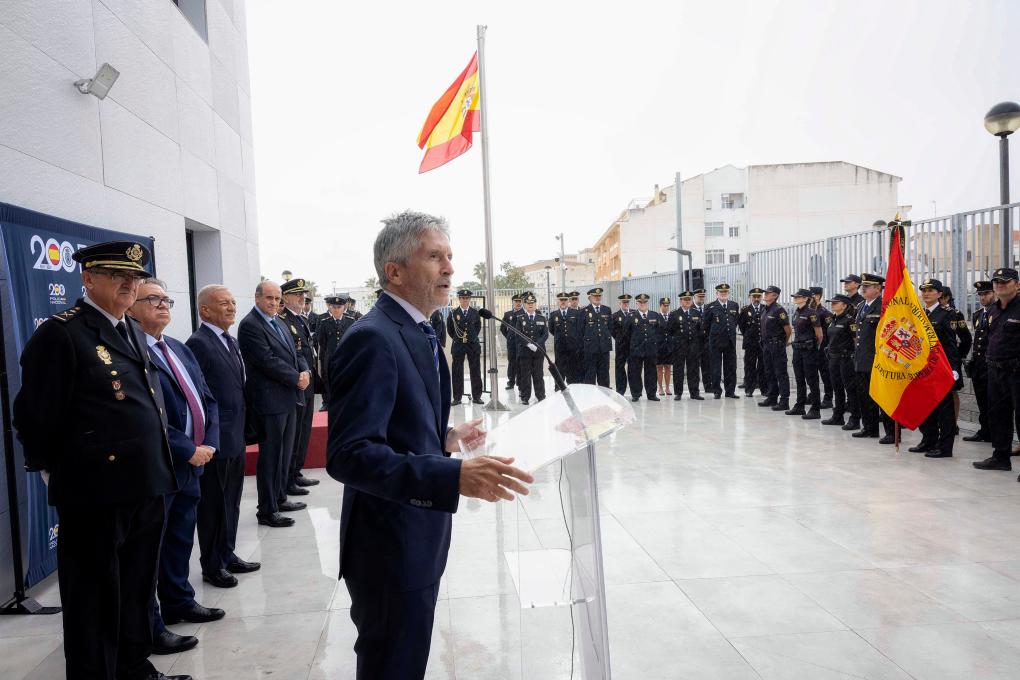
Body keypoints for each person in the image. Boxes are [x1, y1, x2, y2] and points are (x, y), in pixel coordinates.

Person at [327, 211, 533, 679]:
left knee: (408, 656)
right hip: (388, 544)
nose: (450, 269)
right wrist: (452, 475)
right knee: (393, 665)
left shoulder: (418, 330)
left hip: (416, 532)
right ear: (394, 271)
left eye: (450, 257)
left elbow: (392, 426)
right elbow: (349, 454)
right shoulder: (373, 339)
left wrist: (446, 439)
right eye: (434, 256)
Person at [13, 241, 187, 680]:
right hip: (95, 493)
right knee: (93, 599)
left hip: (147, 483)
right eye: (116, 276)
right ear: (87, 278)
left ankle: (134, 667)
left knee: (135, 591)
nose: (129, 284)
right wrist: (59, 472)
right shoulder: (62, 332)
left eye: (133, 277)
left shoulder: (130, 327)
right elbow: (34, 416)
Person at [128, 279, 225, 653]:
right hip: (161, 463)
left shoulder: (179, 349)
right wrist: (188, 448)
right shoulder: (132, 350)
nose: (163, 305)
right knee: (150, 548)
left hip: (194, 463)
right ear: (131, 307)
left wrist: (209, 442)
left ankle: (178, 601)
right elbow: (147, 414)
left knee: (181, 538)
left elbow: (207, 399)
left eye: (166, 298)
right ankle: (150, 624)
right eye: (152, 299)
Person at [188, 284, 261, 592]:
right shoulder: (199, 343)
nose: (232, 307)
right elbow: (199, 396)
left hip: (235, 434)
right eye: (223, 303)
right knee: (214, 504)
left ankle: (227, 552)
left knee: (231, 501)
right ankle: (212, 564)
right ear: (205, 310)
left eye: (233, 302)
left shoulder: (228, 340)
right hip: (216, 439)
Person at [238, 280, 310, 528]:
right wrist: (295, 378)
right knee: (270, 457)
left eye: (277, 298)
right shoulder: (250, 325)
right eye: (269, 298)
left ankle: (279, 498)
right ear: (257, 297)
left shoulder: (279, 322)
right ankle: (267, 510)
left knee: (284, 453)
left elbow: (296, 351)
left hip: (288, 397)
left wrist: (305, 371)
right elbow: (265, 360)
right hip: (269, 401)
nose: (274, 302)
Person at [973, 268, 1020, 474]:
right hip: (995, 371)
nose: (1000, 285)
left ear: (1017, 285)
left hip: (1017, 371)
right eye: (997, 282)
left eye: (1005, 281)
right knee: (998, 415)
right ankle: (1001, 457)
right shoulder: (992, 310)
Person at [909, 279, 959, 458]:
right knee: (925, 407)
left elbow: (951, 344)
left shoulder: (947, 314)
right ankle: (928, 440)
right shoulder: (920, 314)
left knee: (944, 411)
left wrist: (953, 368)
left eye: (931, 290)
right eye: (924, 290)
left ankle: (945, 447)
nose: (926, 293)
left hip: (941, 369)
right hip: (923, 369)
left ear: (939, 294)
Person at [279, 278, 320, 494]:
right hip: (297, 384)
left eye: (303, 294)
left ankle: (296, 472)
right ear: (285, 297)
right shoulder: (283, 320)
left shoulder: (301, 320)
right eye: (297, 294)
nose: (302, 298)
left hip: (308, 382)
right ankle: (288, 478)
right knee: (294, 434)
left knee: (304, 430)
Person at [852, 273, 895, 442]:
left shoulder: (884, 306)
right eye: (863, 286)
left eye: (867, 286)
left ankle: (891, 432)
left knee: (883, 397)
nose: (863, 288)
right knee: (865, 395)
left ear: (878, 288)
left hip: (878, 359)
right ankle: (870, 428)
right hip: (862, 358)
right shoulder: (862, 305)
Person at [821, 294, 860, 429]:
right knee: (837, 388)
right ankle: (837, 416)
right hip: (833, 358)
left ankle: (854, 419)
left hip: (846, 359)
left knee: (850, 389)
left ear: (844, 305)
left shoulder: (850, 321)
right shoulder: (833, 319)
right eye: (832, 302)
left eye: (836, 303)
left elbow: (856, 341)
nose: (832, 304)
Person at [963, 281, 995, 442]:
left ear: (994, 293)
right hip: (979, 365)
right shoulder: (978, 314)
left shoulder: (998, 312)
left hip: (993, 365)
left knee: (994, 402)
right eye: (981, 294)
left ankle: (995, 433)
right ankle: (985, 431)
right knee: (981, 400)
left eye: (986, 293)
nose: (983, 297)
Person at [939, 286, 973, 428]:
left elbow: (966, 338)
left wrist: (958, 355)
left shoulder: (955, 314)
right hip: (935, 361)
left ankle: (953, 423)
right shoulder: (928, 313)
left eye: (941, 297)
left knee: (952, 392)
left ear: (946, 297)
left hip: (949, 360)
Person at [787, 289, 822, 419]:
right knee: (799, 378)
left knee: (812, 380)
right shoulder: (796, 312)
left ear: (806, 298)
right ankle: (799, 406)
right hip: (798, 349)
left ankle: (815, 408)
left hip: (808, 350)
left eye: (798, 296)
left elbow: (819, 334)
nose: (795, 298)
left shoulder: (811, 313)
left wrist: (813, 348)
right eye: (795, 296)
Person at [703, 283, 740, 399]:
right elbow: (706, 325)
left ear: (728, 293)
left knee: (731, 367)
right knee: (716, 367)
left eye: (725, 292)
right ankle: (717, 391)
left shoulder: (734, 305)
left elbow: (735, 321)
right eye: (721, 293)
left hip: (730, 341)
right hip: (716, 341)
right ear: (717, 294)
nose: (723, 294)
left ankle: (730, 391)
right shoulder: (710, 307)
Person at [757, 285, 791, 411]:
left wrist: (782, 343)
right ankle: (772, 397)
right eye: (765, 293)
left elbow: (788, 330)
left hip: (777, 345)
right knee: (769, 372)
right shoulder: (765, 309)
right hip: (766, 345)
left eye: (768, 293)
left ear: (775, 295)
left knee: (780, 373)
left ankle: (784, 401)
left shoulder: (779, 310)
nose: (765, 295)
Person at [447, 289, 484, 405]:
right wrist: (459, 338)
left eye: (467, 298)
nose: (465, 300)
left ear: (470, 299)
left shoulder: (475, 313)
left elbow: (478, 327)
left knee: (475, 371)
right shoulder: (453, 313)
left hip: (472, 344)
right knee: (457, 371)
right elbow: (450, 330)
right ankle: (457, 397)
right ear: (459, 299)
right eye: (463, 298)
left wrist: (471, 337)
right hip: (458, 345)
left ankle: (477, 396)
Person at [665, 291, 703, 401]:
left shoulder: (696, 313)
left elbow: (700, 329)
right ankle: (678, 393)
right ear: (681, 301)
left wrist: (697, 344)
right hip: (679, 347)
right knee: (678, 370)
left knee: (694, 370)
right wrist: (675, 343)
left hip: (693, 346)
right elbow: (669, 331)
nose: (687, 302)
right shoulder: (674, 314)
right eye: (685, 300)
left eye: (689, 300)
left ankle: (694, 392)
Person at [624, 293, 661, 402]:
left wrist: (655, 345)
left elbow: (659, 332)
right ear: (636, 303)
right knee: (634, 372)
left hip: (651, 349)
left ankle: (651, 394)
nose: (643, 304)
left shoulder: (654, 315)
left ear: (647, 303)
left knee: (651, 372)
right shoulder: (631, 316)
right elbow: (626, 335)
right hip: (636, 350)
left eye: (645, 302)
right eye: (640, 302)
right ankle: (636, 393)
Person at [316, 295, 350, 410]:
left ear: (344, 308)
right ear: (330, 308)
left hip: (346, 356)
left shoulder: (350, 321)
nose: (336, 309)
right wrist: (324, 358)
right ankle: (327, 402)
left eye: (339, 307)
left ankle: (346, 400)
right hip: (330, 356)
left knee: (347, 378)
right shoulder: (325, 323)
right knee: (327, 379)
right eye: (334, 307)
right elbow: (322, 342)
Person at [516, 293, 548, 404]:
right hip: (525, 352)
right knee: (525, 375)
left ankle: (540, 395)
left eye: (532, 303)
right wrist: (528, 344)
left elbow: (545, 334)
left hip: (538, 352)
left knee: (538, 374)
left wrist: (537, 345)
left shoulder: (541, 318)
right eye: (528, 303)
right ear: (524, 304)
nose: (530, 305)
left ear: (535, 304)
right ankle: (525, 397)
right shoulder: (520, 318)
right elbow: (518, 334)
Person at [580, 287, 613, 386]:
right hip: (590, 349)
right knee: (590, 375)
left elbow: (610, 328)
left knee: (604, 375)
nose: (597, 298)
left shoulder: (606, 310)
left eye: (599, 296)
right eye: (595, 296)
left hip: (604, 348)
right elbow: (580, 330)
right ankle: (590, 398)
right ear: (590, 297)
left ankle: (604, 396)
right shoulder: (584, 311)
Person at [738, 288, 766, 398]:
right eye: (754, 296)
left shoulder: (765, 309)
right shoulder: (745, 310)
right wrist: (750, 335)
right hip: (750, 343)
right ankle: (749, 389)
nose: (756, 299)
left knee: (763, 367)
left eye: (758, 296)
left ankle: (764, 389)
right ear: (750, 297)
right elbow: (742, 326)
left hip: (763, 343)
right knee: (749, 367)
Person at [549, 292, 580, 390]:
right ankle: (559, 387)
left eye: (565, 300)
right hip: (560, 347)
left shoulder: (575, 313)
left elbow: (579, 329)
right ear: (557, 301)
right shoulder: (554, 315)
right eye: (561, 300)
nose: (563, 302)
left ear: (568, 301)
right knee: (559, 369)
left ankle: (573, 386)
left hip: (573, 347)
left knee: (573, 368)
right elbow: (551, 330)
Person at [810, 287, 834, 409]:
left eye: (812, 295)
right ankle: (813, 395)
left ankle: (828, 397)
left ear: (818, 296)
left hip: (822, 347)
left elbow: (830, 332)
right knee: (812, 373)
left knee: (825, 373)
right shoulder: (808, 311)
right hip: (811, 347)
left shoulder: (825, 313)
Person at [611, 294, 632, 394]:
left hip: (632, 346)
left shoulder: (634, 313)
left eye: (627, 302)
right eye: (624, 302)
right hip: (621, 346)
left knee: (633, 368)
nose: (626, 304)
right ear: (620, 303)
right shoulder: (615, 316)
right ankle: (621, 390)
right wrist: (618, 339)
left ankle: (635, 392)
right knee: (620, 368)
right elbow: (612, 330)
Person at [501, 294, 523, 389]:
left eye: (519, 301)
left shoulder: (524, 313)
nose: (518, 303)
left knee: (521, 362)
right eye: (516, 301)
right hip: (511, 343)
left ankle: (520, 381)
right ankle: (511, 381)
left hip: (521, 343)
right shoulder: (507, 314)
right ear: (512, 302)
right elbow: (502, 328)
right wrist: (509, 337)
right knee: (511, 362)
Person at [693, 288, 711, 393]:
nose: (701, 298)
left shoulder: (708, 308)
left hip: (706, 341)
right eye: (699, 296)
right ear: (694, 297)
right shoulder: (690, 308)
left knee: (707, 365)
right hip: (695, 342)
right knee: (694, 366)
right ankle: (695, 388)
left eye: (703, 296)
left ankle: (708, 386)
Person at [656, 297, 673, 395]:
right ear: (660, 306)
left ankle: (667, 387)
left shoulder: (671, 316)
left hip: (669, 346)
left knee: (668, 367)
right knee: (659, 367)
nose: (666, 308)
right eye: (664, 305)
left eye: (667, 306)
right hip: (659, 346)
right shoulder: (657, 317)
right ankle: (660, 388)